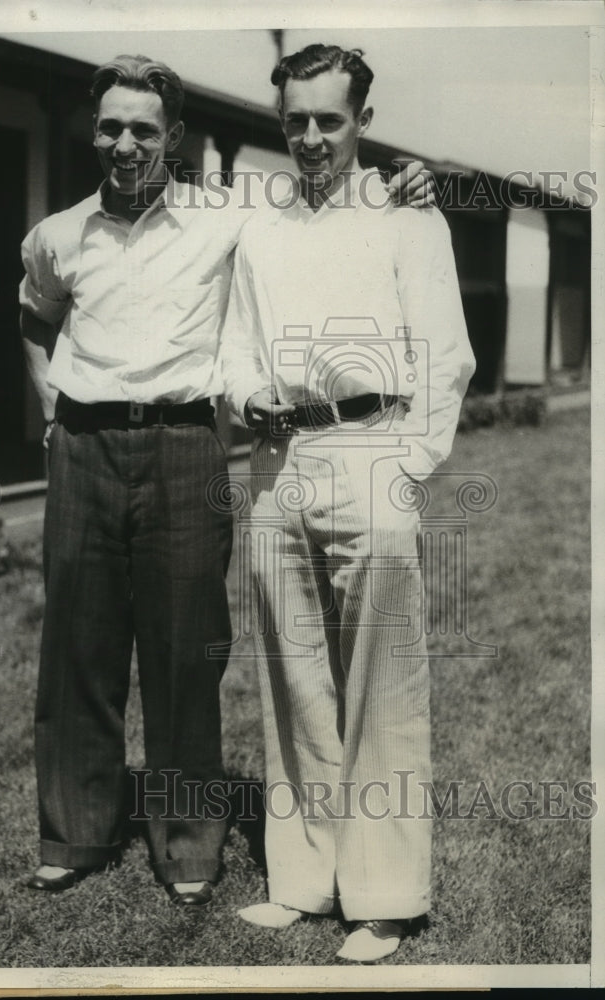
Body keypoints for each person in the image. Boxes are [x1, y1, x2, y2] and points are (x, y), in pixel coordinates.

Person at [18, 53, 433, 908]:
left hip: (184, 445)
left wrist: (406, 178)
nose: (125, 144)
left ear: (176, 137)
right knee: (77, 652)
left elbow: (329, 191)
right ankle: (74, 832)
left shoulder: (228, 217)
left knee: (185, 647)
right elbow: (32, 312)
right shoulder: (58, 233)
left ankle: (187, 842)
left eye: (144, 129)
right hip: (85, 447)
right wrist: (51, 405)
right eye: (110, 126)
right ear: (89, 130)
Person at [221, 44, 476, 959]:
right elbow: (235, 345)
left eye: (330, 120)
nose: (312, 137)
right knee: (292, 677)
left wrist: (408, 466)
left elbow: (444, 356)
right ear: (279, 121)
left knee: (382, 683)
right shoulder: (260, 225)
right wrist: (246, 396)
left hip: (373, 450)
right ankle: (302, 876)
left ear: (362, 121)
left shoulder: (411, 218)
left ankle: (384, 898)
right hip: (278, 461)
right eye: (296, 120)